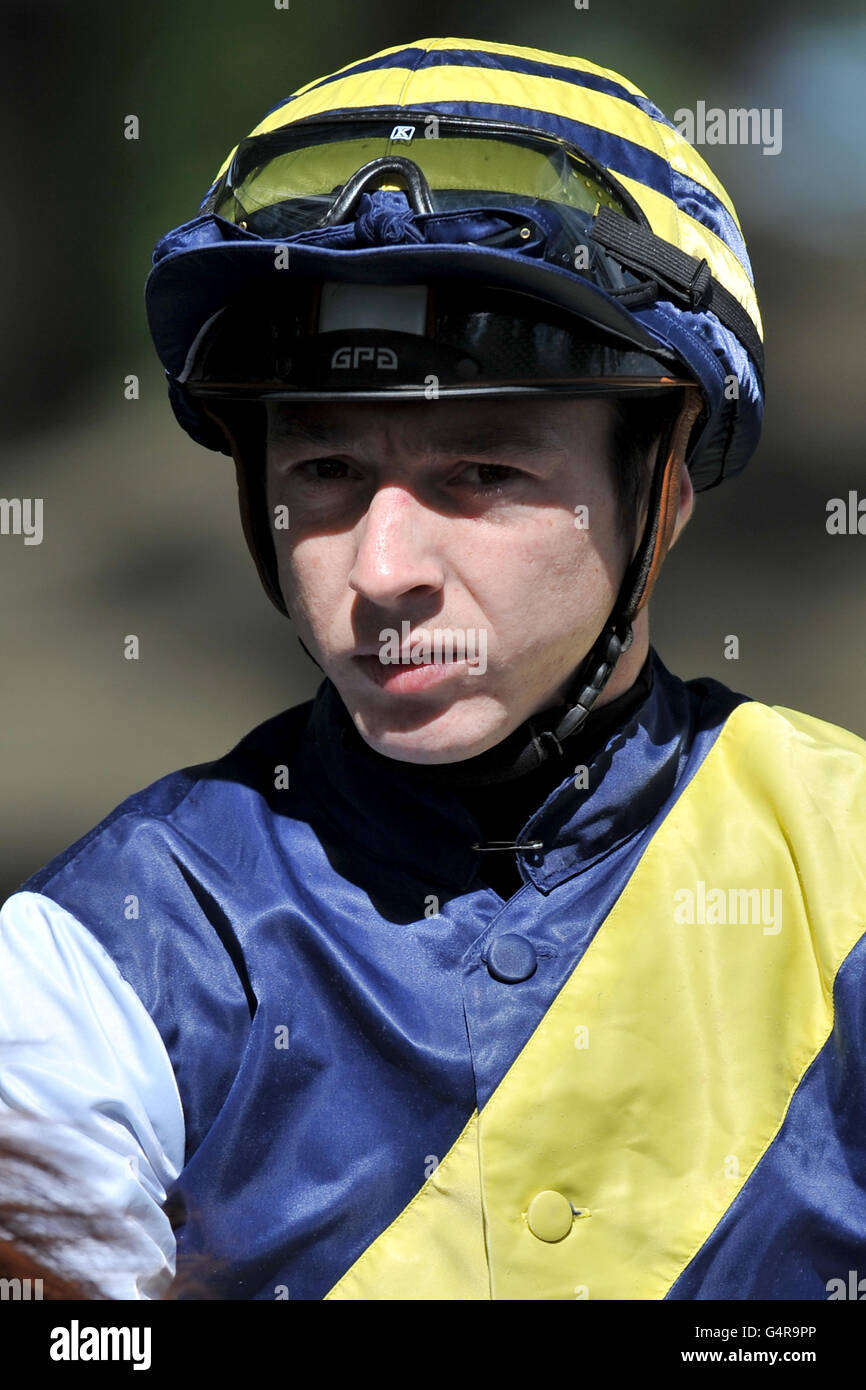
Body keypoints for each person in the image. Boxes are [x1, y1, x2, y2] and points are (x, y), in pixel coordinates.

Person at [1, 35, 864, 1302]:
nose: (382, 566)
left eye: (483, 472)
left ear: (663, 484)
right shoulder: (105, 944)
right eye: (324, 472)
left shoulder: (842, 860)